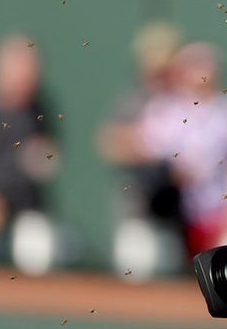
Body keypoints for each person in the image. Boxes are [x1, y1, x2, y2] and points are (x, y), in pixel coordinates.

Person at [136, 41, 227, 257]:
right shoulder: (162, 110)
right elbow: (130, 149)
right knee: (141, 254)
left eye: (204, 65)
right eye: (193, 65)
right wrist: (171, 172)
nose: (200, 72)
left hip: (219, 215)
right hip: (173, 218)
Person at [96, 21, 186, 278]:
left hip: (178, 213)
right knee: (139, 262)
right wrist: (148, 144)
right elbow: (108, 142)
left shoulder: (186, 99)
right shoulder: (136, 98)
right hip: (138, 207)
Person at [0, 35, 59, 269]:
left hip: (29, 205)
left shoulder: (40, 108)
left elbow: (49, 153)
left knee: (38, 252)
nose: (27, 74)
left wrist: (44, 158)